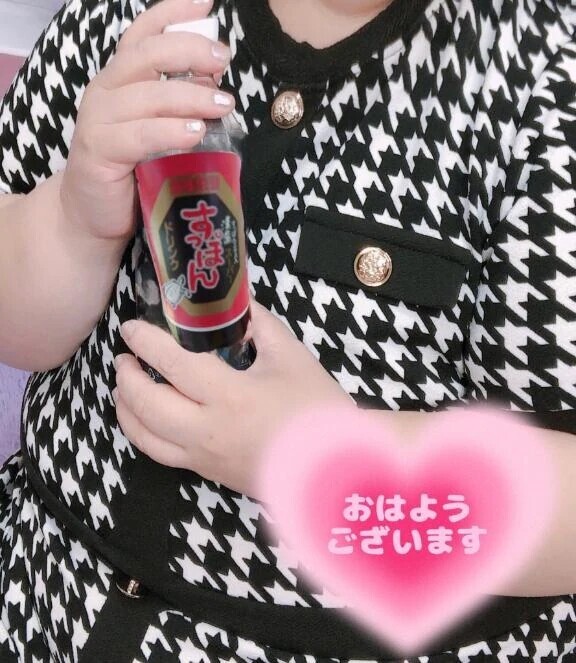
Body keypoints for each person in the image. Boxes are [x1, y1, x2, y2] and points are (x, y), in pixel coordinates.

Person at [0, 0, 575, 660]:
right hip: (40, 586)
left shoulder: (544, 73)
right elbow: (18, 322)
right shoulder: (138, 17)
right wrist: (73, 220)